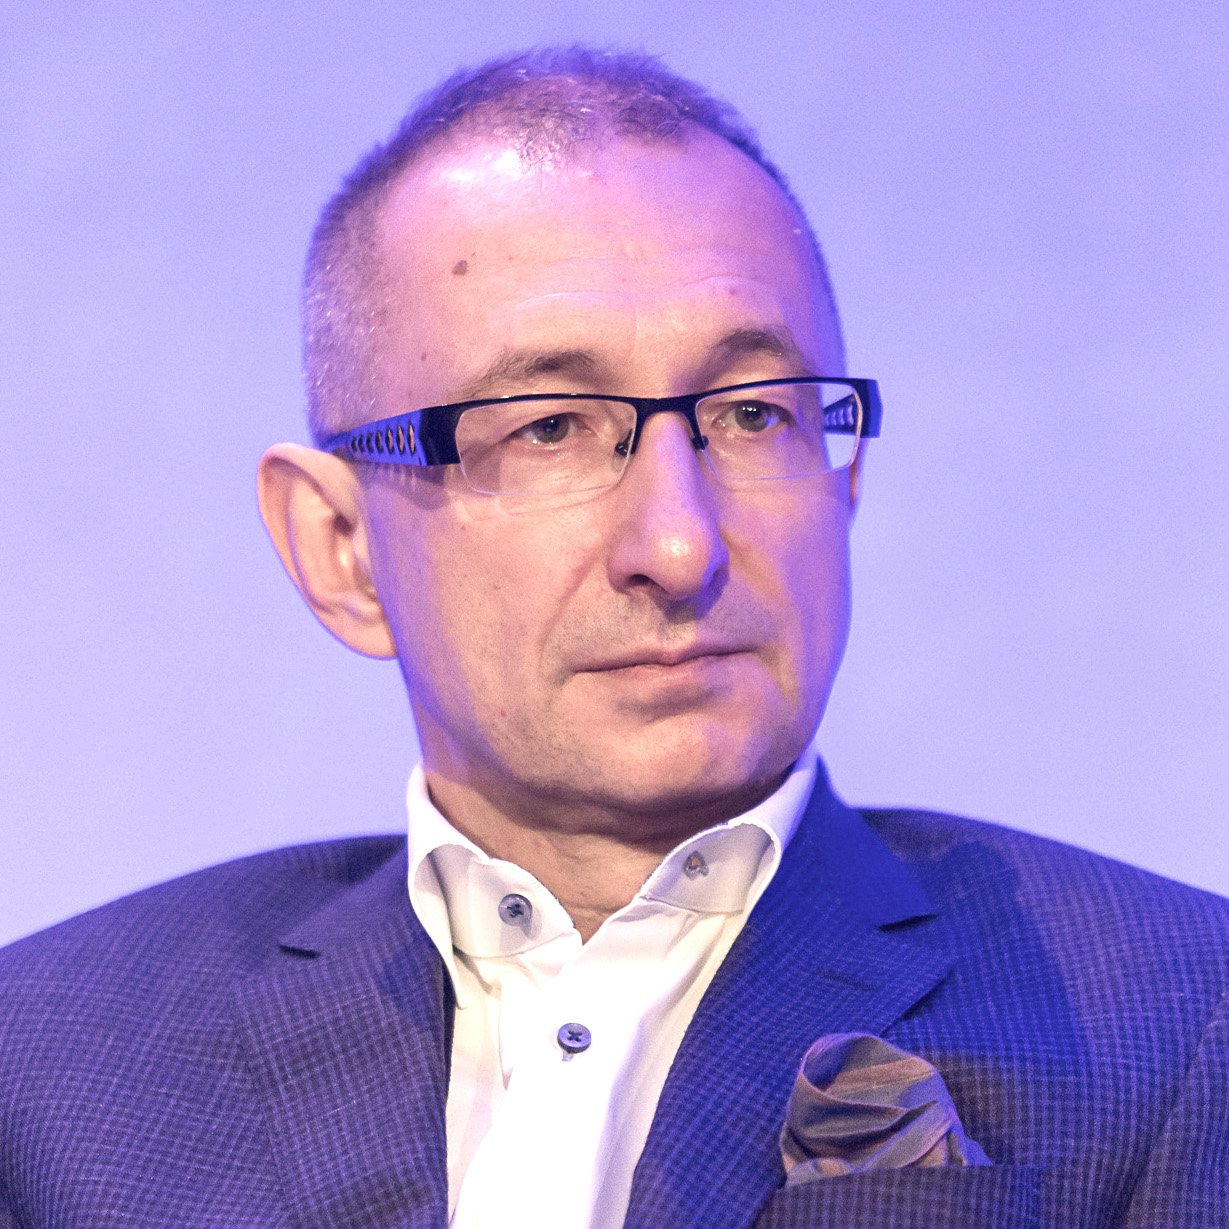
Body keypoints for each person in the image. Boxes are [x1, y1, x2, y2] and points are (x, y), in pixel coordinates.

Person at [1, 46, 1226, 1229]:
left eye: (752, 415)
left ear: (842, 480)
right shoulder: (52, 1068)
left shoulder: (1173, 1019)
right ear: (341, 547)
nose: (680, 545)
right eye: (548, 428)